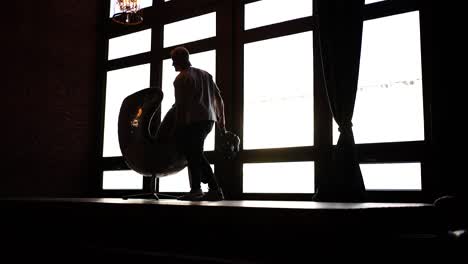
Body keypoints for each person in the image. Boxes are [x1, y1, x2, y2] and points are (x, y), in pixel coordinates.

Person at [170, 46, 226, 201]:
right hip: (209, 119)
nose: (172, 65)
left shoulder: (181, 78)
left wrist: (177, 127)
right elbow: (219, 98)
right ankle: (208, 188)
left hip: (193, 120)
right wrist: (222, 122)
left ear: (181, 60)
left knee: (194, 154)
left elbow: (180, 106)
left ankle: (203, 189)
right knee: (195, 153)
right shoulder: (206, 74)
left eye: (173, 61)